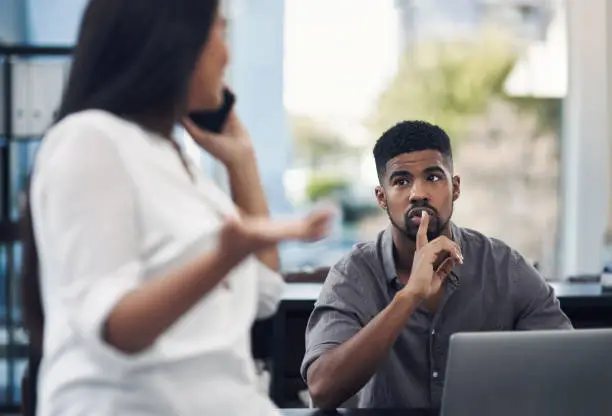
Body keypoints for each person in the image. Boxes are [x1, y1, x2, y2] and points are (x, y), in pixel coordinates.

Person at [20, 1, 332, 415]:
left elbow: (263, 290)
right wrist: (224, 256)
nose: (228, 54)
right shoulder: (91, 139)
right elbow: (116, 325)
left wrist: (242, 163)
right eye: (218, 33)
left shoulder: (176, 161)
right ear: (172, 42)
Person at [301, 120, 572, 410]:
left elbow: (569, 368)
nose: (418, 193)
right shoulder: (353, 274)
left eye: (433, 177)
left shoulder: (504, 267)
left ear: (455, 188)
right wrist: (408, 297)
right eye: (401, 181)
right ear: (382, 197)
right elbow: (321, 389)